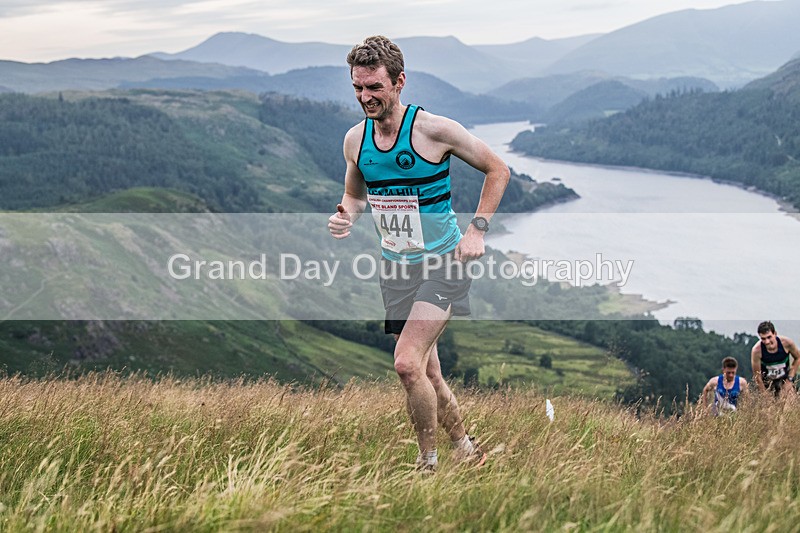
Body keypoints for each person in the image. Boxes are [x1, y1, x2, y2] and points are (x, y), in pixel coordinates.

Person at [328, 36, 510, 471]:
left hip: (444, 263)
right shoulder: (356, 140)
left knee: (407, 365)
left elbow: (498, 169)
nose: (365, 97)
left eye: (374, 87)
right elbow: (354, 196)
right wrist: (345, 215)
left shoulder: (434, 130)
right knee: (428, 374)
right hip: (396, 267)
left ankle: (427, 465)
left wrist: (477, 230)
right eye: (358, 87)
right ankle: (466, 450)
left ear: (399, 82)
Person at [750, 320, 800, 397]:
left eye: (769, 337)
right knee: (769, 407)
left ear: (775, 334)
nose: (767, 341)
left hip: (784, 380)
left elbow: (798, 358)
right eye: (763, 339)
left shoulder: (787, 343)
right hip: (767, 383)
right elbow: (757, 377)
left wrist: (790, 379)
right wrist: (765, 396)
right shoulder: (756, 351)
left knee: (790, 400)